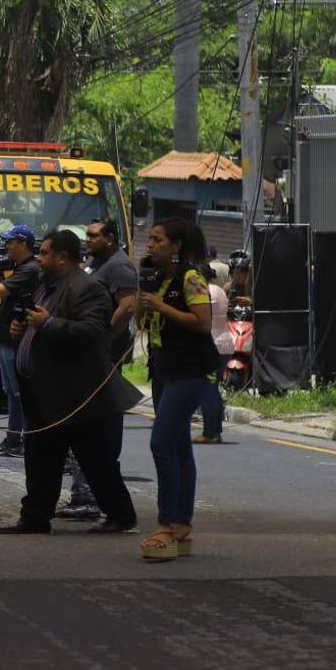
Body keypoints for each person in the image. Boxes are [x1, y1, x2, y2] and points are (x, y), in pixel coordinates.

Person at [0, 229, 138, 536]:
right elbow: (37, 323)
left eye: (44, 253)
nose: (39, 258)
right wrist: (23, 329)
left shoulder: (87, 288)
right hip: (43, 390)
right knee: (40, 458)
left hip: (77, 394)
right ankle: (35, 517)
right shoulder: (45, 285)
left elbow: (93, 333)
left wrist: (47, 323)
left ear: (62, 257)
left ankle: (120, 515)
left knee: (96, 459)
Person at [138, 219, 220, 560]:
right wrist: (145, 299)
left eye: (158, 239)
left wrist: (162, 307)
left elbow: (202, 323)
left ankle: (166, 525)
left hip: (188, 372)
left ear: (176, 246)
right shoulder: (158, 279)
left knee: (161, 444)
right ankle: (182, 524)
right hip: (163, 369)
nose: (150, 244)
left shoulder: (190, 278)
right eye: (150, 239)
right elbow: (145, 324)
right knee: (179, 445)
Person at [55, 218, 139, 520]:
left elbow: (127, 307)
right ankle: (83, 493)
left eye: (93, 236)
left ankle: (90, 497)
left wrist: (102, 339)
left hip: (104, 356)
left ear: (111, 238)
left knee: (95, 426)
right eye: (87, 235)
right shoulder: (95, 262)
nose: (88, 240)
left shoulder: (119, 266)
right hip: (85, 356)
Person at [0, 223, 39, 458]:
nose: (6, 246)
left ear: (23, 244)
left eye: (10, 242)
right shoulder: (21, 268)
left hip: (15, 340)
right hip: (6, 336)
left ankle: (26, 440)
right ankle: (14, 439)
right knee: (11, 391)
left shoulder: (29, 269)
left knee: (19, 392)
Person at [196, 265, 230, 443]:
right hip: (225, 342)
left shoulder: (204, 293)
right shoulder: (219, 290)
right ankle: (216, 430)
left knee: (207, 389)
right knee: (213, 388)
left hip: (212, 344)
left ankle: (210, 432)